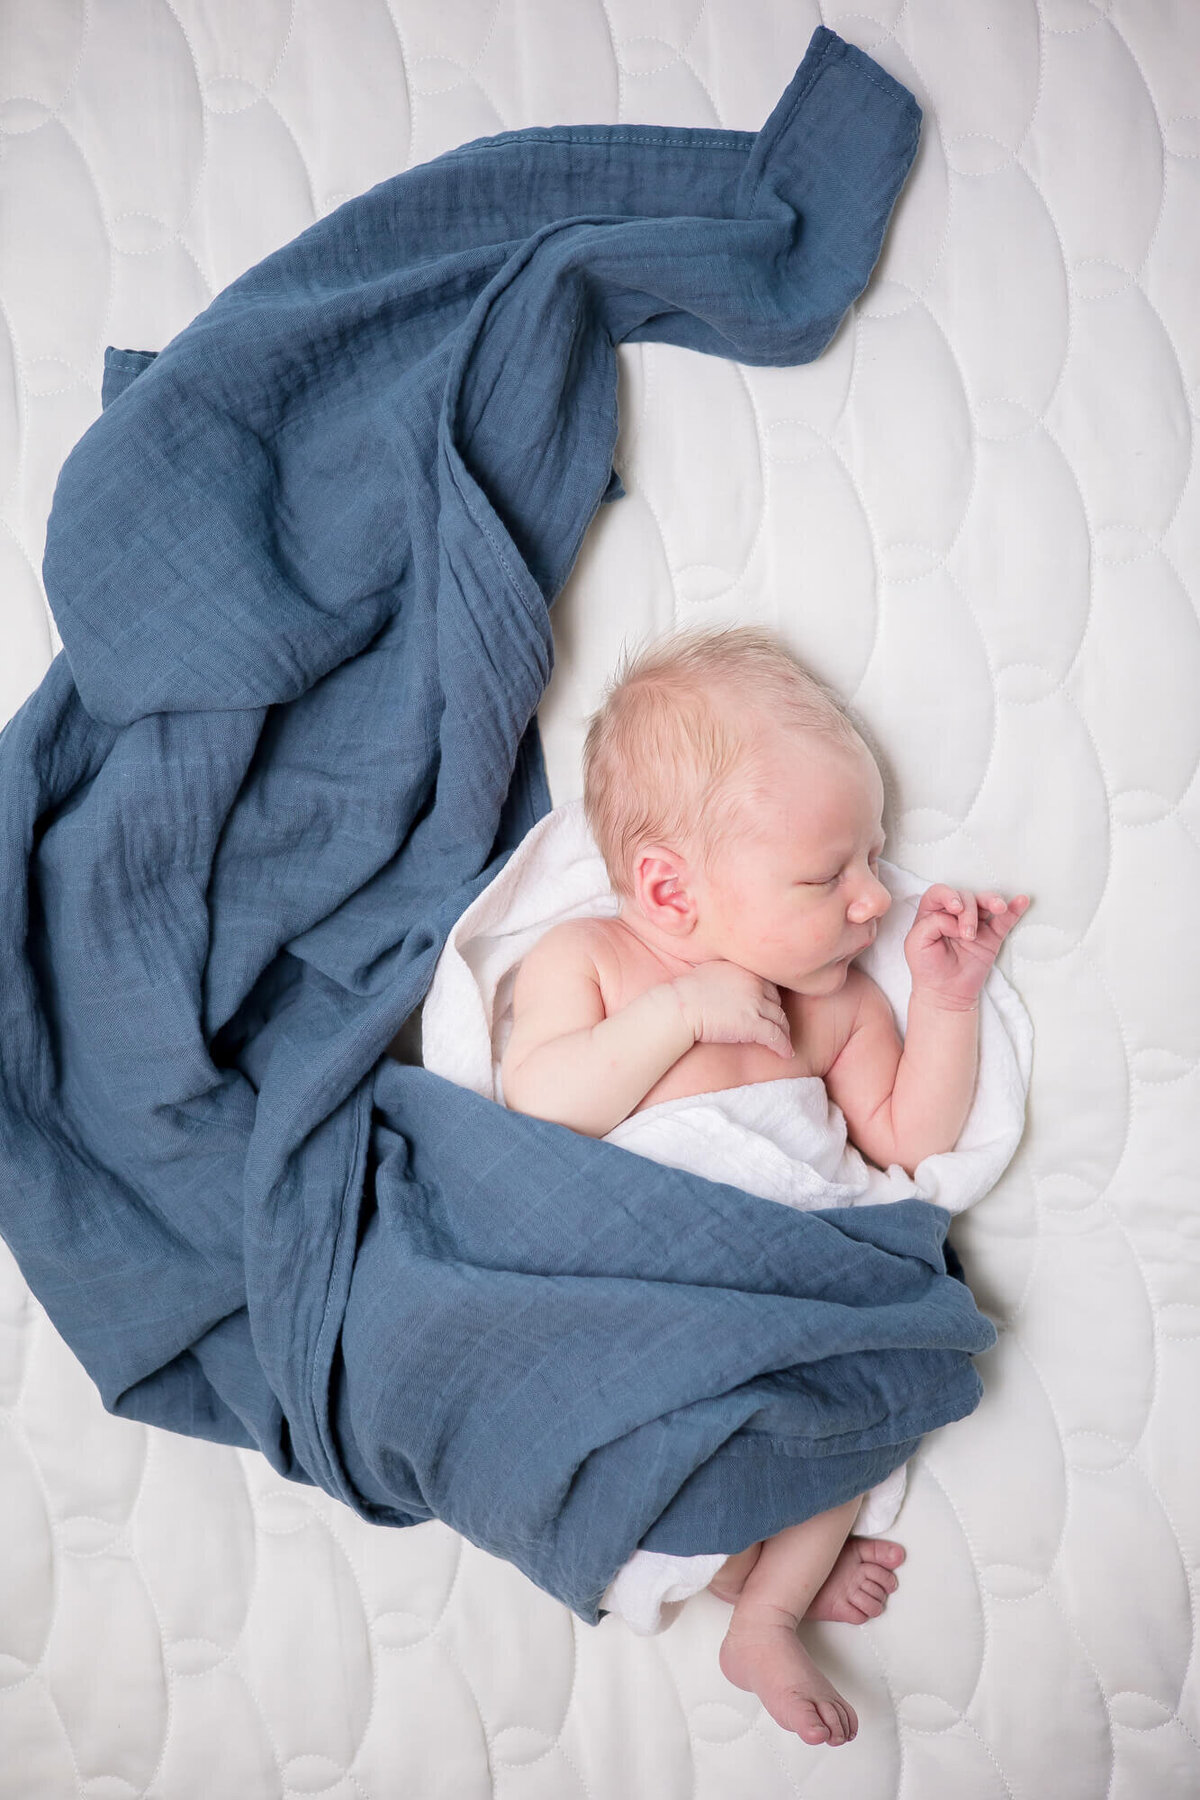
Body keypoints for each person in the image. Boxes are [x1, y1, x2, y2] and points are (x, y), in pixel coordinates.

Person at [500, 623, 1029, 1747]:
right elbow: (540, 1107)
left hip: (790, 1295)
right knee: (683, 1428)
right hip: (645, 1288)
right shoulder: (594, 965)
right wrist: (676, 1016)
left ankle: (768, 1603)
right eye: (825, 875)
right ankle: (750, 1571)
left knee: (880, 1366)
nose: (871, 902)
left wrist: (943, 1004)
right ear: (667, 888)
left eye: (874, 860)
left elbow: (902, 1141)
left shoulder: (830, 1003)